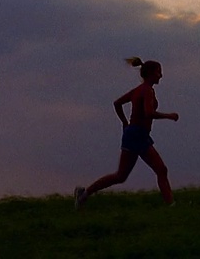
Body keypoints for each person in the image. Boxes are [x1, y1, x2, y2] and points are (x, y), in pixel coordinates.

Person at [75, 57, 179, 209]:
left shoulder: (139, 90)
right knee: (159, 170)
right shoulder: (147, 90)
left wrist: (124, 122)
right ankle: (171, 205)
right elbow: (149, 113)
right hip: (138, 135)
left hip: (134, 134)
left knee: (122, 176)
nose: (161, 75)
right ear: (151, 73)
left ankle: (84, 194)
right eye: (159, 72)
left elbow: (117, 103)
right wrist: (168, 116)